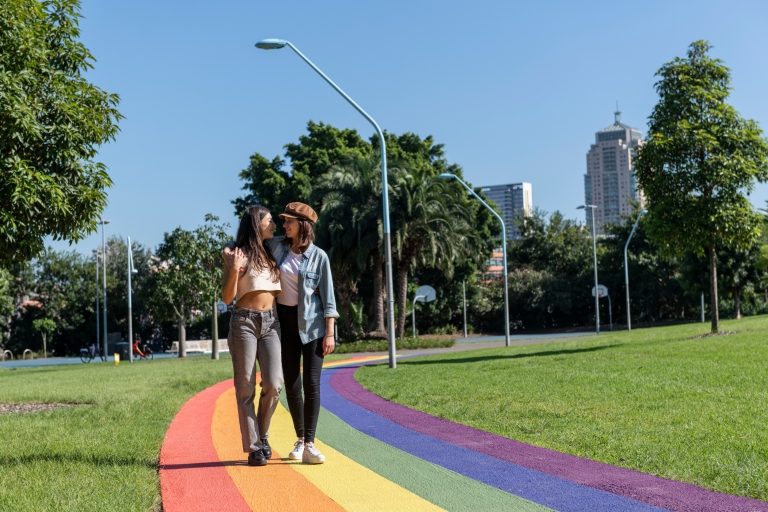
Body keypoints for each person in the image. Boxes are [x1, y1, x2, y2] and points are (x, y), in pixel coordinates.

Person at [274, 202, 338, 464]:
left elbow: (329, 299)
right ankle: (300, 439)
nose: (284, 224)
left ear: (303, 225)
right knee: (291, 383)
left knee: (312, 385)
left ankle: (310, 443)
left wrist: (330, 333)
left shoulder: (319, 256)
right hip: (284, 324)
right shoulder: (277, 247)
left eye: (289, 221)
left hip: (312, 327)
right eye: (284, 220)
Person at [221, 206, 282, 467]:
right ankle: (254, 447)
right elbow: (227, 298)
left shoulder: (275, 250)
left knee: (273, 383)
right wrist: (234, 268)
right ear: (257, 224)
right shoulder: (236, 254)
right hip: (244, 321)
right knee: (245, 386)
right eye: (269, 221)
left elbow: (299, 235)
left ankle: (263, 434)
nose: (275, 225)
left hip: (272, 322)